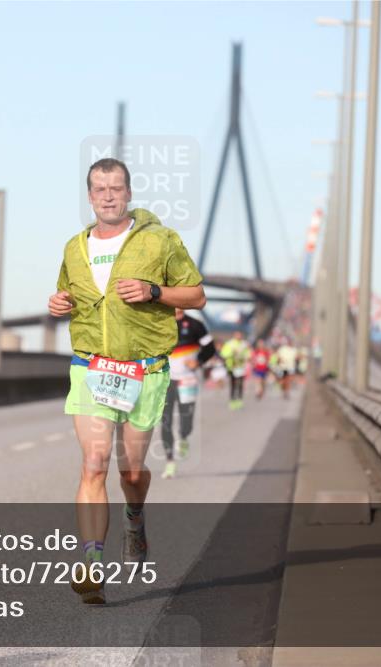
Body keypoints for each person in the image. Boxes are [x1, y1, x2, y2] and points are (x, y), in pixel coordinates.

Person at [48, 158, 206, 605]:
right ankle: (91, 563)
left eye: (116, 187)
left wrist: (155, 291)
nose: (109, 195)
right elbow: (70, 298)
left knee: (130, 472)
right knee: (94, 464)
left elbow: (196, 294)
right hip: (91, 367)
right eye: (100, 189)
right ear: (90, 195)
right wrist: (59, 303)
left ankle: (134, 519)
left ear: (129, 192)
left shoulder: (160, 241)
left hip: (144, 370)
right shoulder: (74, 247)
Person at [158, 308, 215, 479]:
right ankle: (169, 461)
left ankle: (183, 436)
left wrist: (198, 361)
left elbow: (210, 348)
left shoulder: (196, 325)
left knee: (186, 420)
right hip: (165, 380)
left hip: (188, 379)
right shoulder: (160, 321)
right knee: (165, 421)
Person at [220, 331, 250, 410]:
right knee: (233, 384)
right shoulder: (229, 344)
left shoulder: (244, 344)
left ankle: (239, 400)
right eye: (237, 335)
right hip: (232, 367)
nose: (239, 337)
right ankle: (232, 400)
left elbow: (248, 354)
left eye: (240, 335)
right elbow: (223, 353)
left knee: (240, 384)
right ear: (234, 335)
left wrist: (244, 357)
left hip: (240, 367)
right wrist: (232, 353)